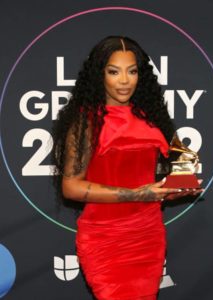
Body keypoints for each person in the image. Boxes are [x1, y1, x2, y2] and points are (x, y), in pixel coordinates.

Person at [52, 36, 201, 300]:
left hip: (148, 234)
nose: (124, 80)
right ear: (100, 75)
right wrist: (137, 194)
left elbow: (172, 173)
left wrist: (178, 186)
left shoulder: (152, 118)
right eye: (114, 71)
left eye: (132, 71)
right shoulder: (85, 123)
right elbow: (71, 187)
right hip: (104, 237)